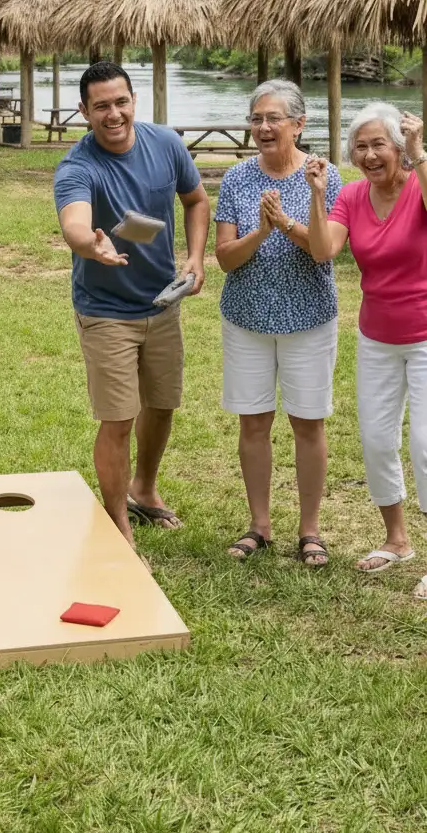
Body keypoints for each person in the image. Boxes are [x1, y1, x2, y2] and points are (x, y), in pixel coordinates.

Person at [54, 61, 209, 547]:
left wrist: (196, 257)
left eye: (121, 102)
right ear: (84, 111)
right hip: (105, 309)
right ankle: (118, 519)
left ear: (134, 101)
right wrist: (89, 244)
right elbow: (74, 221)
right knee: (118, 417)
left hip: (162, 302)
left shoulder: (166, 144)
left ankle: (144, 488)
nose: (113, 114)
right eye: (101, 106)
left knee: (161, 405)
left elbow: (197, 200)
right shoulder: (78, 166)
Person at [215, 80, 342, 566]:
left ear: (298, 124)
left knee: (308, 423)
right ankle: (259, 526)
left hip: (308, 318)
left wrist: (288, 220)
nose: (264, 128)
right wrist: (260, 230)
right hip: (247, 318)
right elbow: (225, 259)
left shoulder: (325, 176)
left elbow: (322, 250)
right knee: (254, 422)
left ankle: (309, 531)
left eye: (274, 119)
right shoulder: (237, 179)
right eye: (256, 119)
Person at [306, 103, 427, 597]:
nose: (371, 154)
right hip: (377, 336)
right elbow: (321, 250)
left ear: (399, 148)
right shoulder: (352, 196)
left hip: (425, 335)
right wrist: (317, 198)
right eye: (361, 146)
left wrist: (421, 154)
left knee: (425, 444)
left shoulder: (419, 184)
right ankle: (397, 540)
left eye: (380, 144)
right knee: (377, 440)